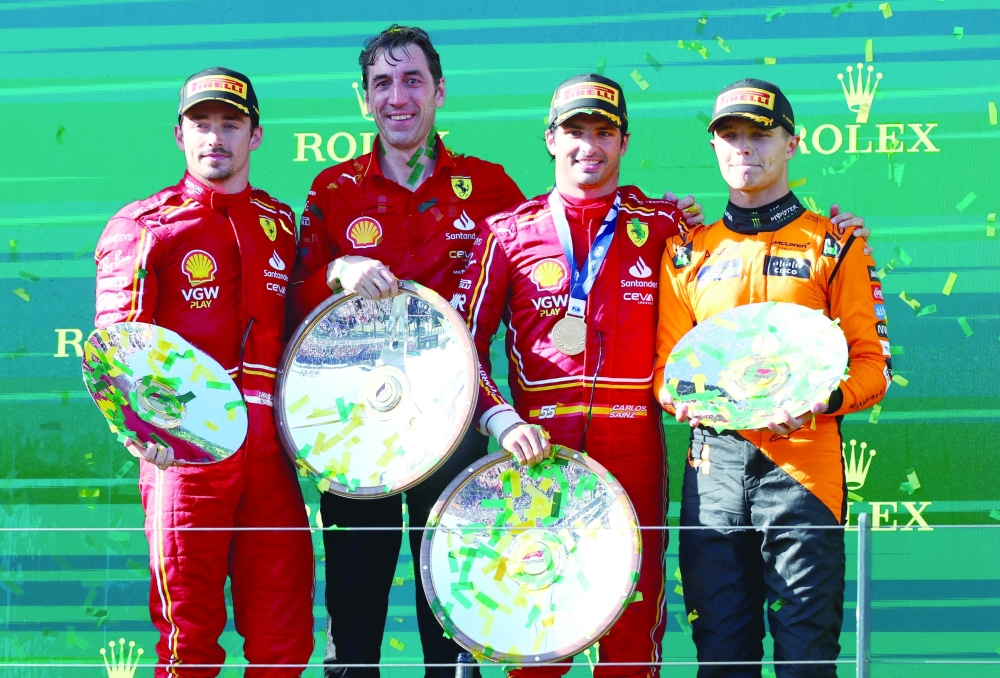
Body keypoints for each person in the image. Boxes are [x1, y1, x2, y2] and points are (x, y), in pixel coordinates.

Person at [287, 25, 528, 678]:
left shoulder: (490, 186)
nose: (398, 97)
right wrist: (335, 271)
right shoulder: (333, 190)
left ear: (439, 92)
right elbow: (293, 302)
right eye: (383, 83)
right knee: (353, 617)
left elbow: (542, 268)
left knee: (453, 616)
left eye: (413, 81)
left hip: (455, 422)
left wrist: (665, 218)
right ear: (365, 98)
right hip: (356, 427)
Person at [652, 78, 890, 678]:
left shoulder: (836, 245)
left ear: (792, 144)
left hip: (804, 467)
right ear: (714, 146)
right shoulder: (686, 252)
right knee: (721, 660)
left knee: (806, 660)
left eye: (759, 134)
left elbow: (873, 366)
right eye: (730, 135)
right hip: (714, 471)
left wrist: (821, 400)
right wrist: (684, 400)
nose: (744, 147)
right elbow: (664, 372)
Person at [93, 67, 314, 677]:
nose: (216, 137)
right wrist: (141, 431)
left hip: (271, 451)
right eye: (202, 124)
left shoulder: (280, 222)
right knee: (187, 640)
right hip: (186, 447)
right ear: (179, 135)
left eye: (230, 124)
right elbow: (115, 352)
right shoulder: (144, 225)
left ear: (256, 136)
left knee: (284, 641)